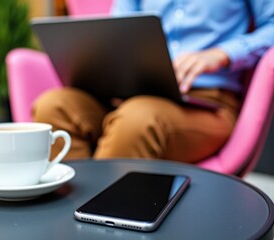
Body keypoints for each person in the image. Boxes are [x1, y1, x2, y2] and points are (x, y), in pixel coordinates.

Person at [32, 0, 274, 163]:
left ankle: (99, 222)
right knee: (54, 105)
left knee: (138, 119)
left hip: (206, 101)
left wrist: (224, 53)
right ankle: (71, 215)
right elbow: (118, 26)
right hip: (130, 93)